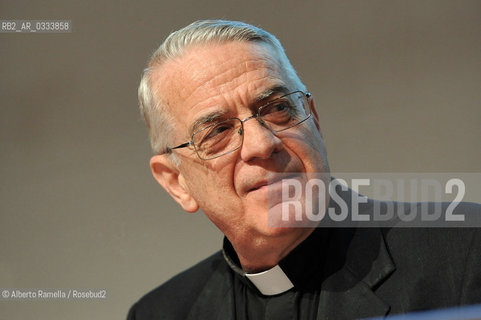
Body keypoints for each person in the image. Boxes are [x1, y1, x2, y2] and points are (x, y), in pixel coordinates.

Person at [128, 20, 481, 319]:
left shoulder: (461, 250)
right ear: (176, 183)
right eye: (217, 131)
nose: (262, 144)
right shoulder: (162, 312)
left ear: (314, 119)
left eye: (277, 108)